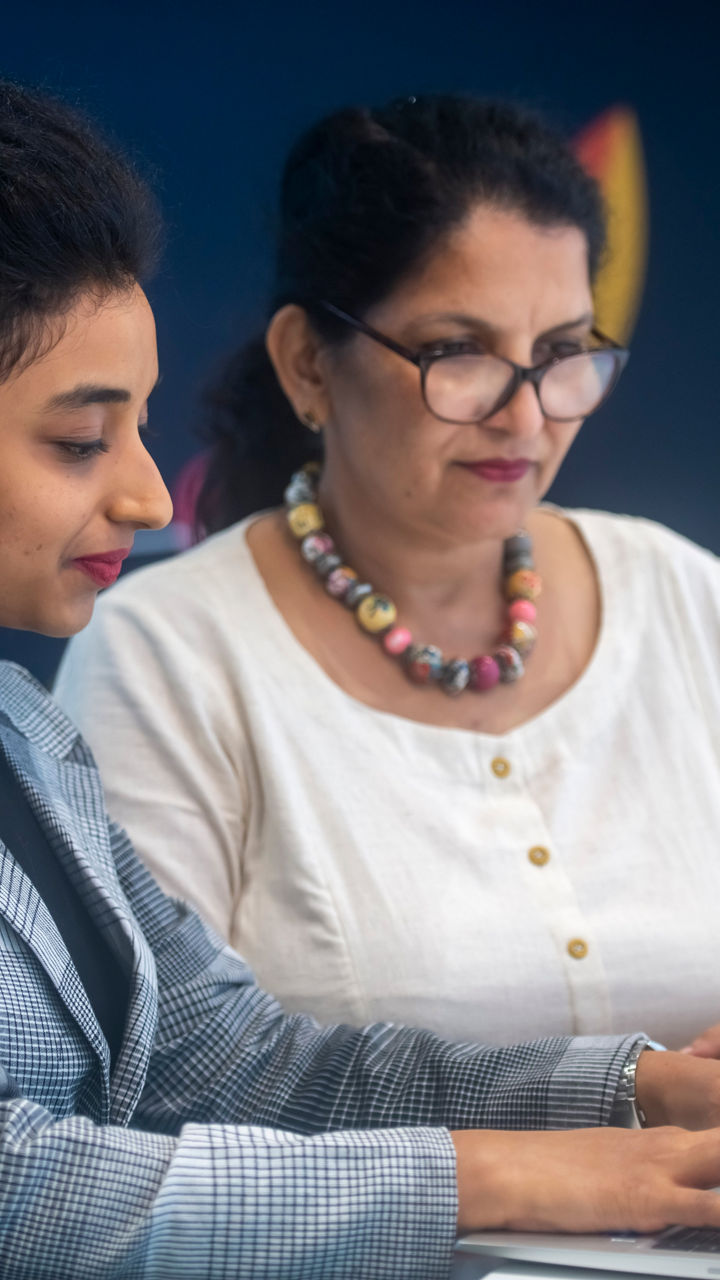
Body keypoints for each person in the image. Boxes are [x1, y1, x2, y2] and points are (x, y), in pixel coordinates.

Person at [9, 76, 720, 1280]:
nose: (142, 496)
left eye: (563, 356)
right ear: (310, 364)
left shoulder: (25, 737)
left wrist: (643, 1087)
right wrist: (503, 1175)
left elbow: (232, 1060)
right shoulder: (160, 648)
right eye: (81, 440)